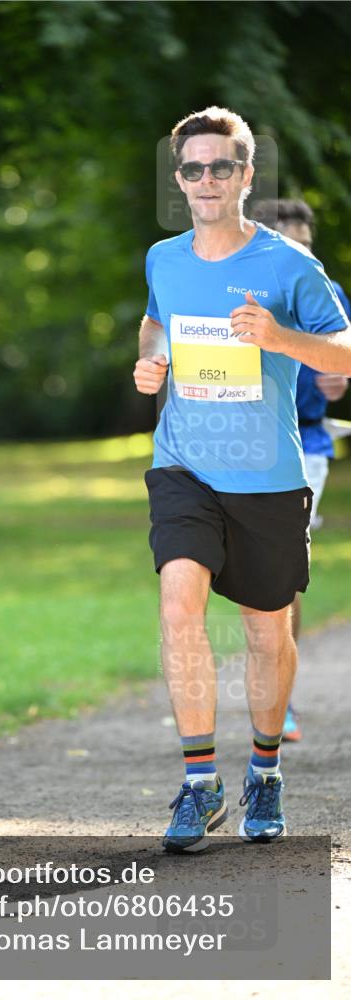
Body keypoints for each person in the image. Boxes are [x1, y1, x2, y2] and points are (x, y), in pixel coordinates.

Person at [133, 106, 351, 852]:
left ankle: (263, 771)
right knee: (177, 599)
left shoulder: (288, 265)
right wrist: (151, 359)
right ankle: (200, 781)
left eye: (219, 167)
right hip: (184, 464)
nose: (204, 180)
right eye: (191, 169)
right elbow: (154, 319)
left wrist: (278, 337)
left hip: (264, 476)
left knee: (266, 634)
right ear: (178, 178)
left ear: (245, 175)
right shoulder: (163, 258)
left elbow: (342, 354)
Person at [252, 198, 350, 741]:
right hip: (238, 444)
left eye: (307, 248)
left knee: (284, 573)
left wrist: (339, 380)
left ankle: (277, 699)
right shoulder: (234, 293)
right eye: (291, 248)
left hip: (305, 445)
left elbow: (342, 359)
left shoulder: (329, 295)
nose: (302, 259)